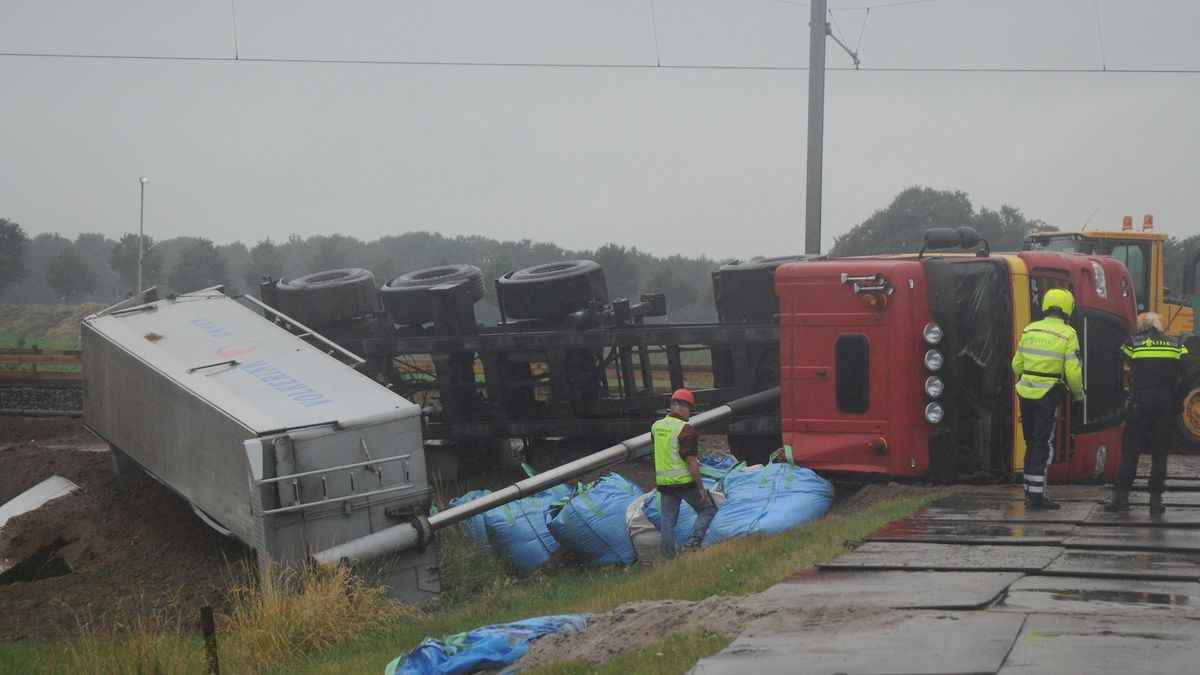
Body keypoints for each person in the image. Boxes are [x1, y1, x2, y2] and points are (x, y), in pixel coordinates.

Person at [1105, 312, 1189, 514]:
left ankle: (1122, 498)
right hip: (1166, 402)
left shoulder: (1134, 343)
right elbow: (1188, 374)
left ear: (1142, 326)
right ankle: (1155, 501)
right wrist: (1176, 398)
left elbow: (1118, 360)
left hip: (1141, 401)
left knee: (1131, 449)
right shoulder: (1176, 345)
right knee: (1160, 452)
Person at [1011, 287, 1085, 509]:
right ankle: (1036, 498)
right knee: (1042, 444)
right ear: (1067, 309)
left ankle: (1028, 491)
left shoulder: (1029, 330)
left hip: (1025, 392)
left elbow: (1016, 364)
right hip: (1047, 394)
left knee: (1031, 442)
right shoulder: (1068, 334)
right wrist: (1079, 395)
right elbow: (1073, 371)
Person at [653, 387, 717, 558]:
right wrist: (701, 488)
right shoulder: (685, 429)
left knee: (667, 522)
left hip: (664, 484)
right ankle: (692, 542)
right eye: (690, 409)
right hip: (684, 482)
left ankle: (668, 558)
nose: (690, 414)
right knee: (708, 509)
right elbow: (690, 461)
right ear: (682, 407)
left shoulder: (656, 427)